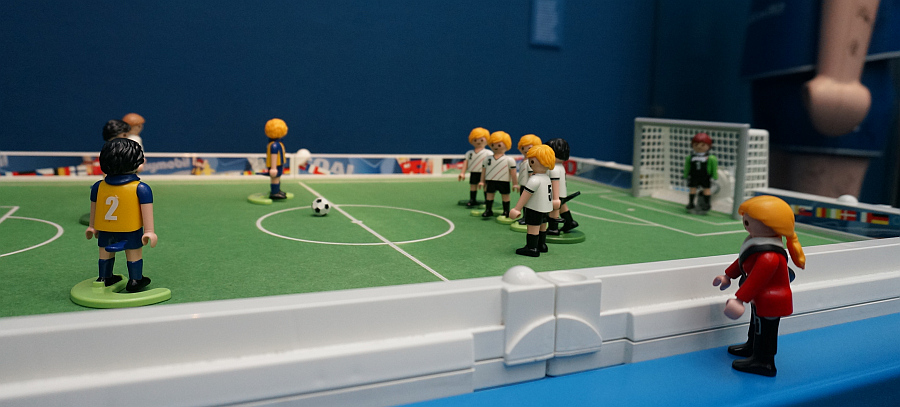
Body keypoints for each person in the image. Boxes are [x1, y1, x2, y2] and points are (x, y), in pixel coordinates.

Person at [712, 195, 806, 377]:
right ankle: (752, 347)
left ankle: (764, 361)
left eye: (748, 221)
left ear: (770, 225)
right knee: (756, 323)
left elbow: (757, 279)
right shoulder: (758, 243)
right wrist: (727, 276)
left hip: (771, 299)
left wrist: (740, 299)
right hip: (762, 298)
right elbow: (743, 261)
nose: (745, 224)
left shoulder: (769, 256)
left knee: (766, 330)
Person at [85, 138, 158, 292]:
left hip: (105, 228)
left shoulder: (98, 187)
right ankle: (135, 279)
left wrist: (92, 226)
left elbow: (94, 208)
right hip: (130, 230)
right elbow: (146, 211)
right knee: (133, 252)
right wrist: (149, 231)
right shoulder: (141, 188)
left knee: (104, 251)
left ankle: (104, 277)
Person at [509, 145, 555, 257]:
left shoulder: (534, 179)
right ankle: (542, 245)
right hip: (546, 208)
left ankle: (531, 248)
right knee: (543, 226)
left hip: (535, 208)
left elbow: (526, 195)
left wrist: (517, 209)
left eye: (532, 161)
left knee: (533, 228)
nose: (530, 163)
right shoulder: (546, 178)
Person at [477, 131, 518, 218]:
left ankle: (506, 211)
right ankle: (488, 210)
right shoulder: (487, 159)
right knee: (489, 195)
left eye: (499, 145)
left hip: (504, 181)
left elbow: (513, 173)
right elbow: (483, 170)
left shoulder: (509, 160)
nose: (495, 147)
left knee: (505, 196)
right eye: (493, 145)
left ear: (506, 145)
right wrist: (482, 181)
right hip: (490, 180)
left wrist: (515, 184)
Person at [545, 138, 578, 234]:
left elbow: (554, 182)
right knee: (563, 207)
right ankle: (570, 222)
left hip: (556, 194)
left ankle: (553, 228)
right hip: (561, 192)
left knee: (554, 210)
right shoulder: (560, 167)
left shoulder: (554, 168)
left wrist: (555, 198)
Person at [684, 132, 718, 213]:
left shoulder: (710, 158)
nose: (699, 147)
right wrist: (685, 175)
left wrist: (715, 177)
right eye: (696, 144)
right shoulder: (690, 157)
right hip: (694, 176)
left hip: (705, 176)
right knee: (693, 189)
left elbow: (714, 168)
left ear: (708, 146)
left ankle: (707, 204)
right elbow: (687, 167)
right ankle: (691, 203)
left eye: (702, 145)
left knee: (706, 189)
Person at [459, 127, 491, 208]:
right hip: (473, 172)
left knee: (485, 186)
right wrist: (462, 173)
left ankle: (487, 200)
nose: (478, 142)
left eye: (481, 140)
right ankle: (472, 200)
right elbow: (465, 163)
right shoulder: (469, 153)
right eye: (475, 140)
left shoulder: (488, 153)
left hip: (484, 173)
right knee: (473, 185)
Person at [264, 118, 289, 200]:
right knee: (275, 178)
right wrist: (273, 168)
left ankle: (277, 190)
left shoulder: (276, 144)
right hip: (275, 165)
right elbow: (273, 155)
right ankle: (274, 193)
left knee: (277, 178)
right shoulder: (274, 145)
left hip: (279, 164)